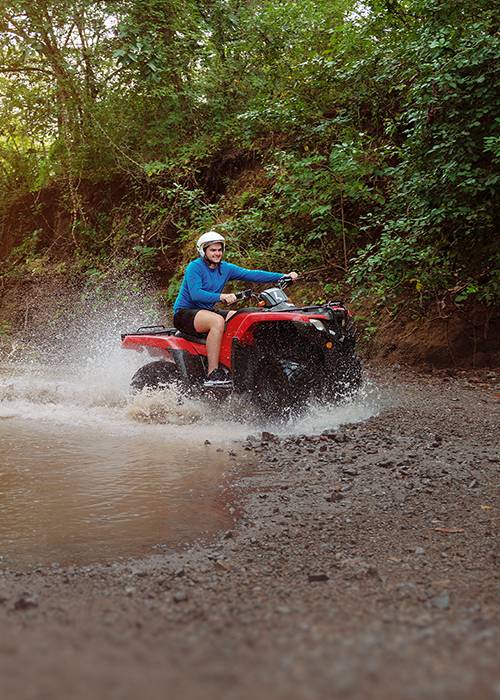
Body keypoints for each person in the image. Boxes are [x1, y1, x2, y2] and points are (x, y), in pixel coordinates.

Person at [173, 231, 298, 388]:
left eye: (219, 250)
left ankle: (238, 364)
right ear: (203, 250)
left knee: (239, 317)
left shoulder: (225, 268)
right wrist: (222, 296)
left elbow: (252, 274)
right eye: (213, 250)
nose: (217, 253)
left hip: (207, 312)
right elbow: (196, 294)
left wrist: (282, 276)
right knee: (217, 322)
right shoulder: (195, 267)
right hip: (185, 313)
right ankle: (213, 372)